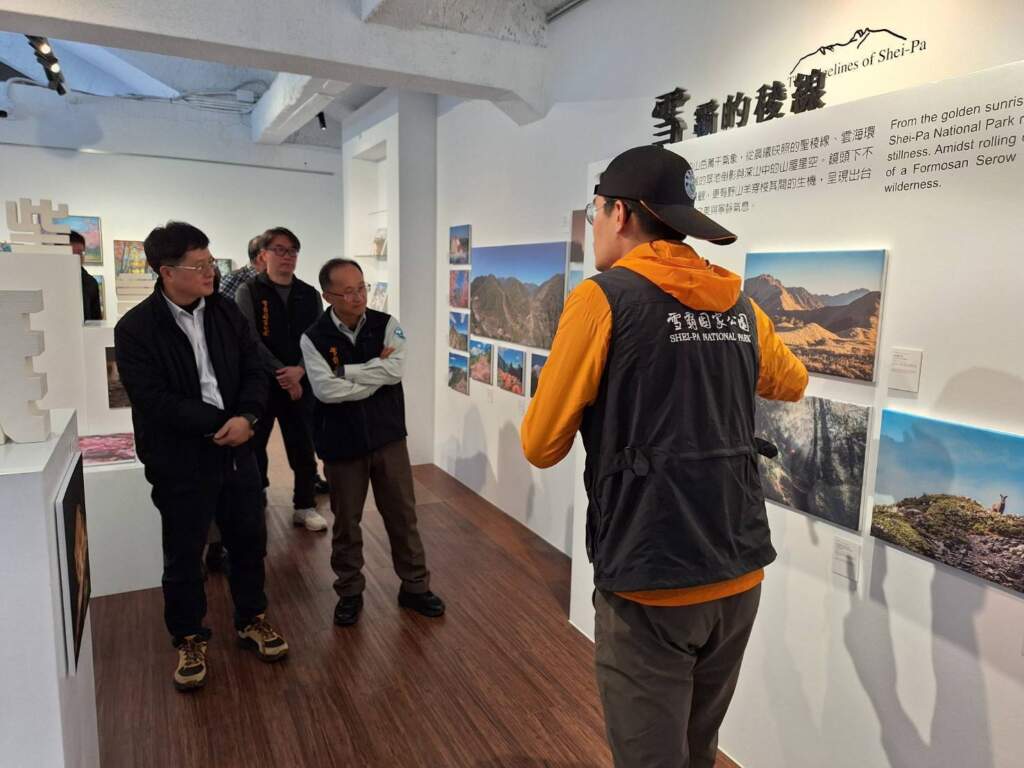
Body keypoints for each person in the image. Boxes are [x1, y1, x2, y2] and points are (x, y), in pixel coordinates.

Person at [521, 145, 808, 768]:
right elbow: (792, 382)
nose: (596, 223)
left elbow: (540, 445)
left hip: (651, 573)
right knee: (699, 750)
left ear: (621, 213)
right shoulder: (738, 304)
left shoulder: (602, 299)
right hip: (738, 565)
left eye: (596, 210)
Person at [114, 221, 289, 692]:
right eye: (199, 265)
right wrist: (220, 423)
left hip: (238, 449)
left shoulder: (227, 313)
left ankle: (252, 618)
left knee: (249, 540)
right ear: (167, 272)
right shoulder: (135, 329)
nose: (211, 271)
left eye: (210, 261)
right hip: (179, 457)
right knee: (184, 552)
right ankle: (189, 636)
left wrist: (248, 417)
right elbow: (153, 399)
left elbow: (256, 369)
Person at [301, 258, 445, 626]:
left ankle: (415, 586)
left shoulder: (387, 325)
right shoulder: (313, 337)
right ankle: (349, 592)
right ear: (328, 296)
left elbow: (395, 370)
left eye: (361, 288)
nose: (358, 297)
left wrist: (347, 372)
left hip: (388, 436)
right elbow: (326, 391)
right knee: (346, 523)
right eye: (347, 291)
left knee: (403, 515)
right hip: (340, 443)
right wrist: (373, 377)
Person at [234, 227, 327, 532]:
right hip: (261, 383)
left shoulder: (309, 294)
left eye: (292, 251)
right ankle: (257, 494)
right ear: (263, 255)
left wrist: (299, 370)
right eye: (280, 250)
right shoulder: (249, 291)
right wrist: (282, 373)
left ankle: (305, 505)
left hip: (301, 382)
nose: (287, 256)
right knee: (255, 444)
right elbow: (250, 339)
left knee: (303, 446)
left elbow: (317, 337)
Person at [73, 230, 102, 321]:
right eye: (73, 253)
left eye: (80, 253)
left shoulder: (90, 283)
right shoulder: (51, 280)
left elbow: (96, 319)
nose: (77, 258)